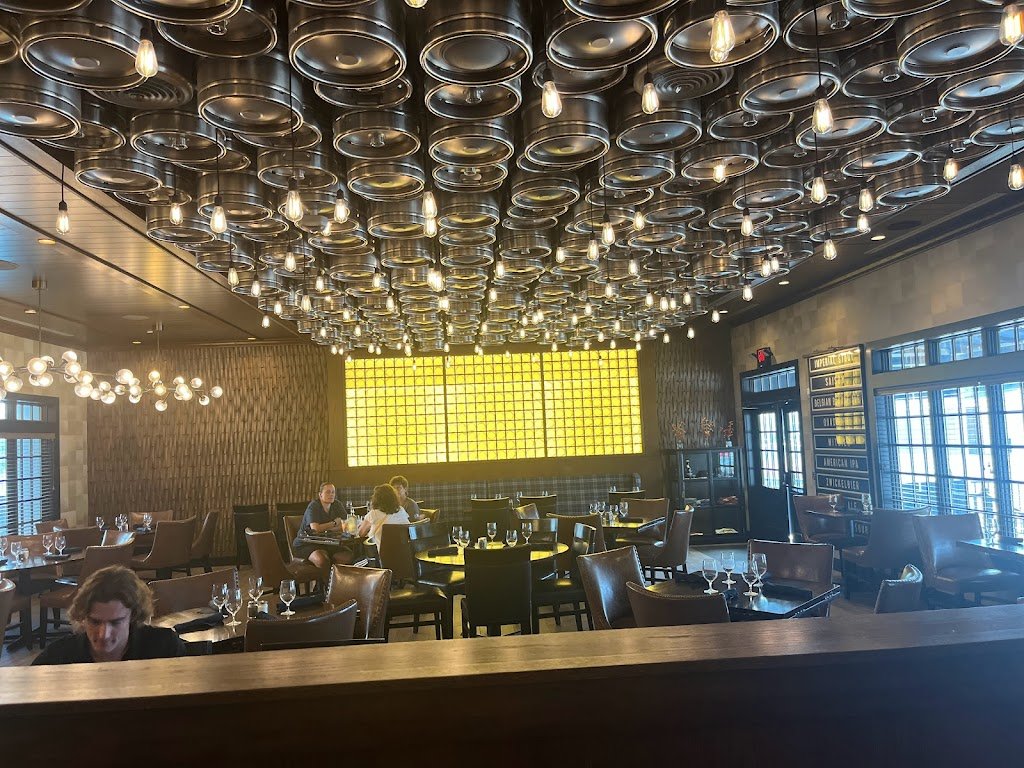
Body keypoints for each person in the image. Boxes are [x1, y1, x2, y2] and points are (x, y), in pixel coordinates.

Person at [33, 565, 184, 665]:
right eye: (95, 622)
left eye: (116, 622)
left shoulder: (164, 647)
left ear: (133, 616)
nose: (104, 635)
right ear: (83, 616)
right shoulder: (59, 656)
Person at [293, 482, 354, 570]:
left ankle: (336, 578)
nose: (331, 494)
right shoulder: (313, 506)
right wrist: (334, 523)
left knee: (348, 556)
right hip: (307, 543)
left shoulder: (337, 504)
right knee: (322, 560)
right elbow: (316, 529)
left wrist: (329, 529)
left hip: (328, 543)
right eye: (328, 492)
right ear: (320, 494)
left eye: (333, 492)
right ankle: (325, 579)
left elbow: (346, 525)